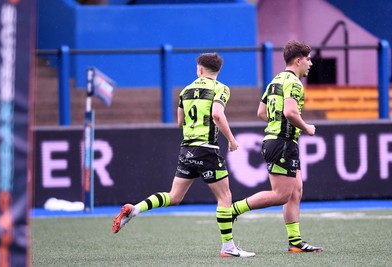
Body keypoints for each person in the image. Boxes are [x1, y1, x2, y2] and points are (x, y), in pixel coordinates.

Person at [112, 52, 255, 258]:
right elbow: (216, 114)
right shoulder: (221, 88)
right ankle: (228, 248)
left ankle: (135, 208)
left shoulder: (186, 90)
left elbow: (180, 122)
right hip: (208, 149)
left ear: (199, 69)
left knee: (174, 196)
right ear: (218, 70)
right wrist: (232, 140)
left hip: (187, 149)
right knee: (225, 197)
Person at [231, 40, 324, 253]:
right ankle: (233, 209)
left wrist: (277, 124)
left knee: (295, 191)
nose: (310, 63)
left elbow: (261, 112)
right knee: (281, 194)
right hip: (282, 142)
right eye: (308, 59)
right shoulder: (293, 82)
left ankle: (295, 241)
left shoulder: (275, 80)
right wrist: (307, 127)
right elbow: (291, 112)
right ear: (298, 60)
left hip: (279, 140)